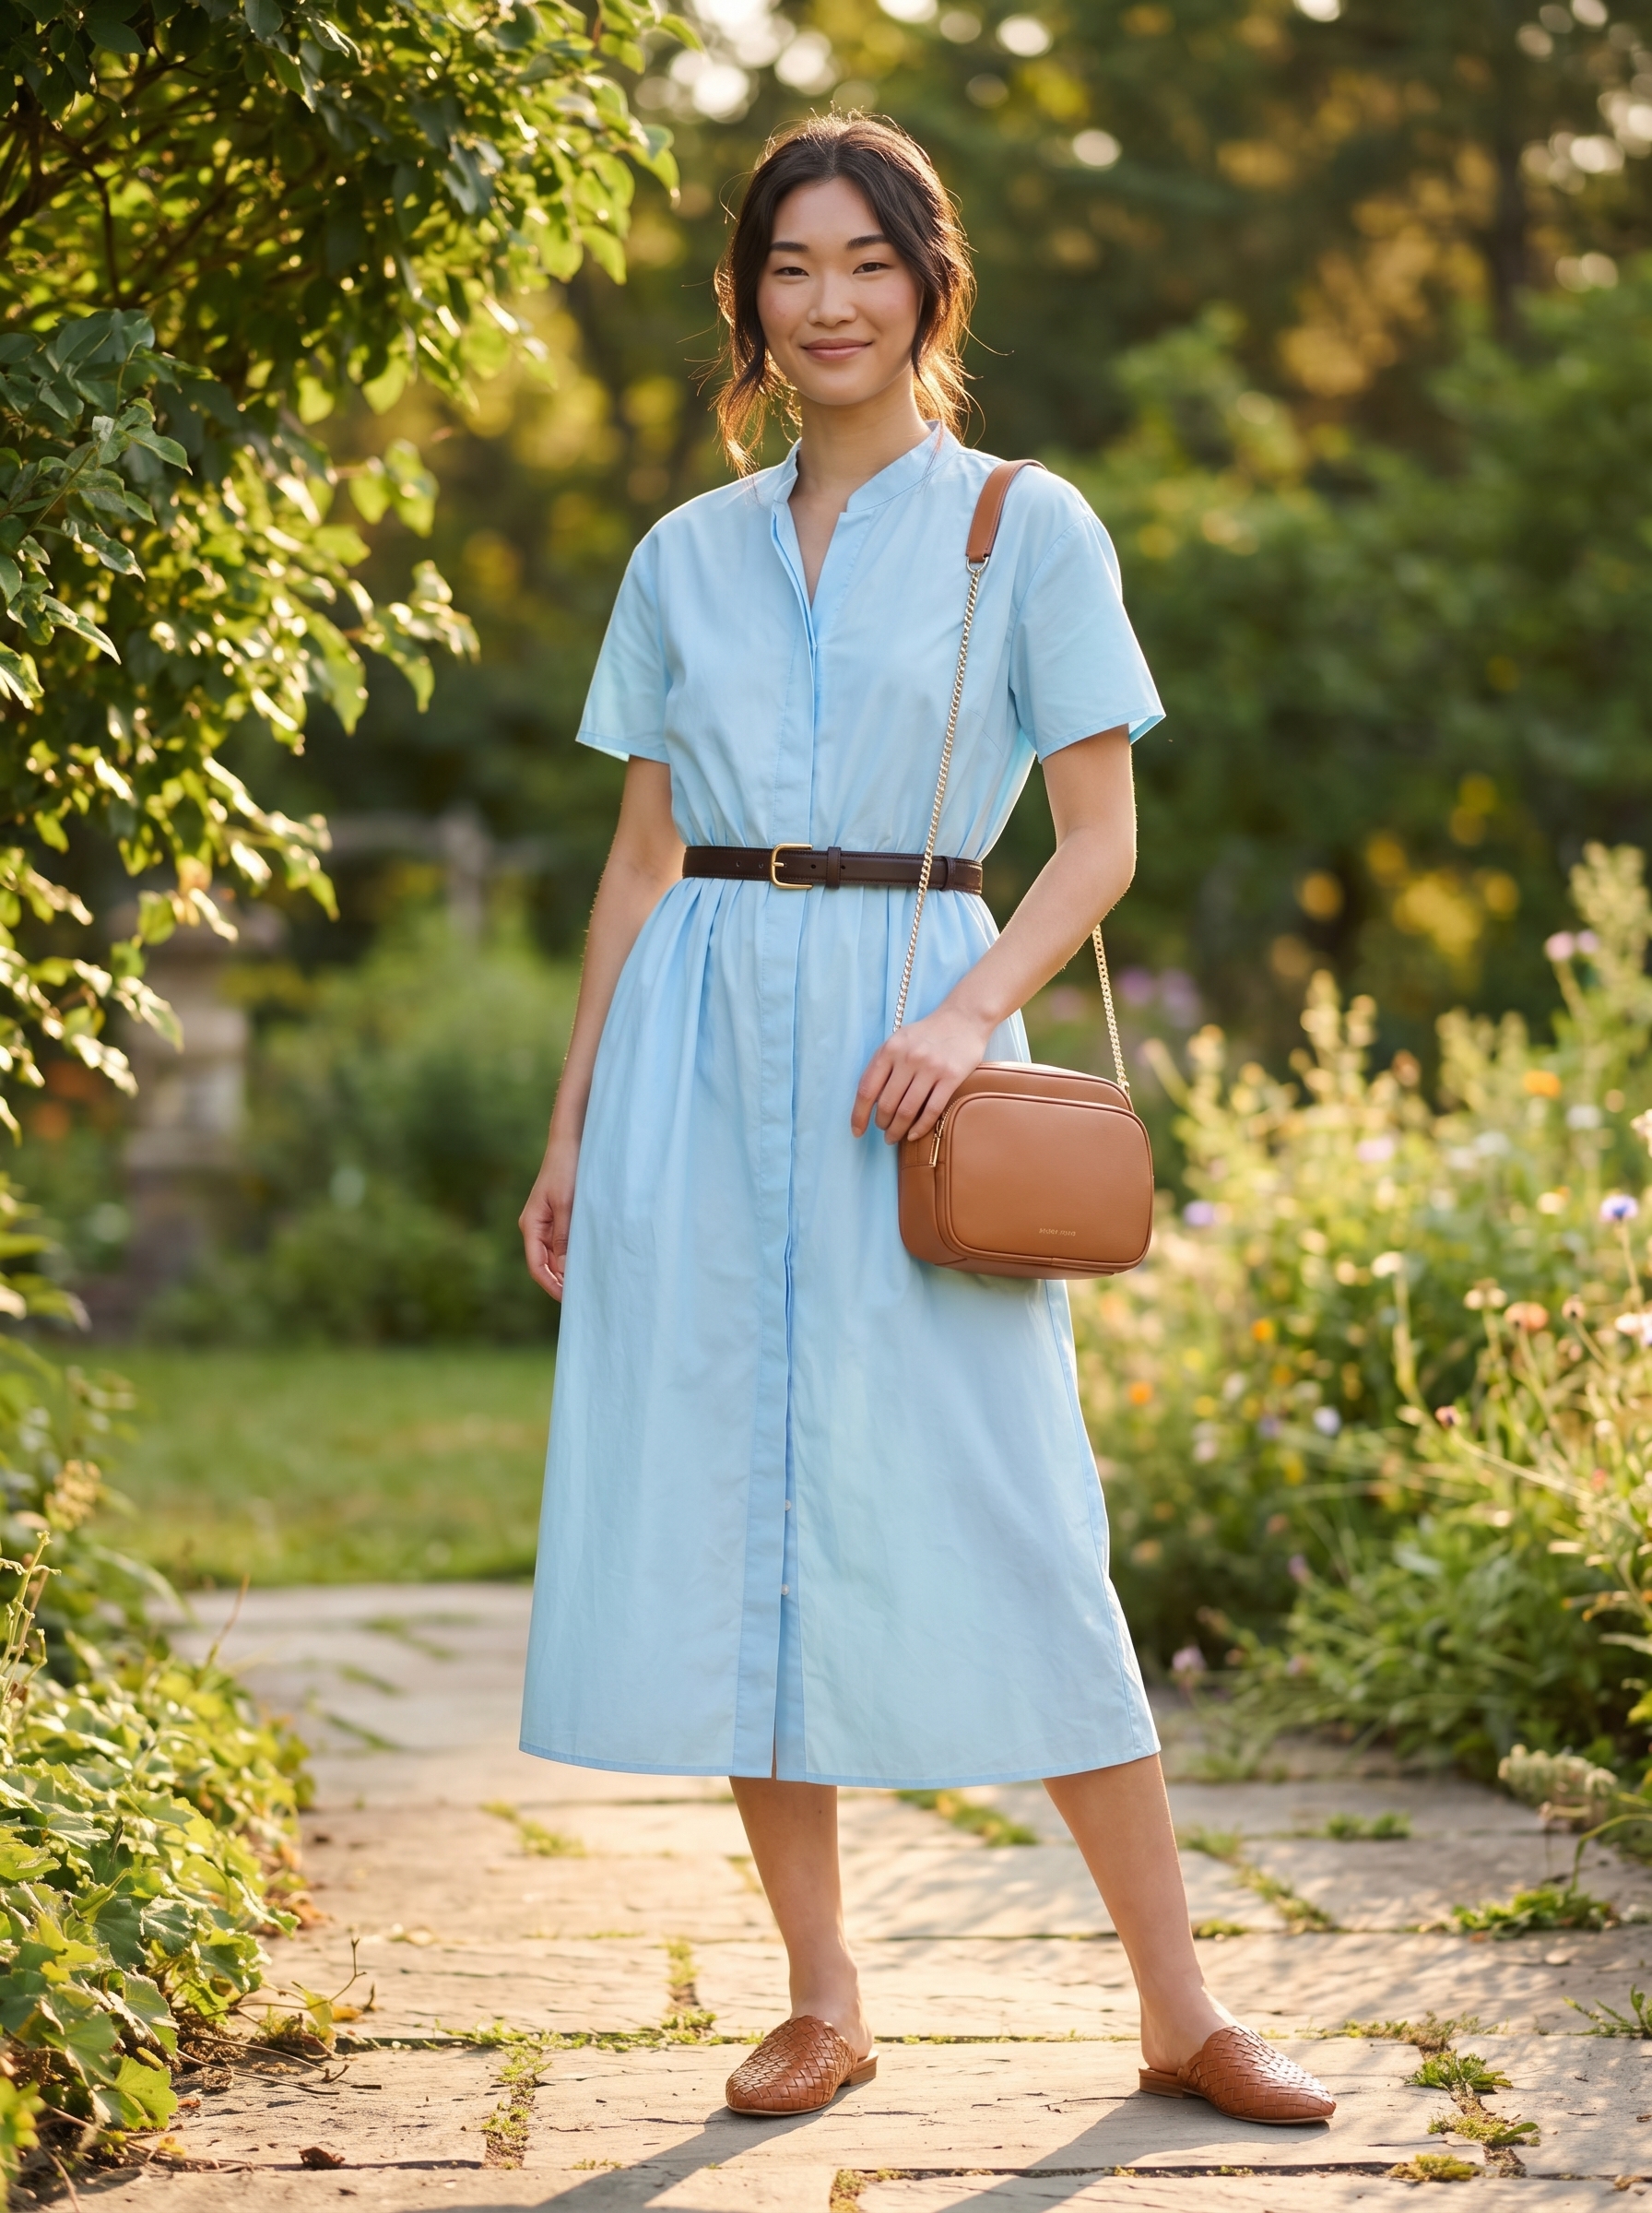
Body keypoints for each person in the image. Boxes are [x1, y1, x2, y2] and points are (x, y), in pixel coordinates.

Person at [517, 111, 1334, 2130]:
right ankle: (821, 1997)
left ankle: (1178, 2007)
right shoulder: (680, 556)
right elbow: (638, 864)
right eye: (789, 267)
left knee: (1017, 1507)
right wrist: (571, 1128)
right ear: (747, 300)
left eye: (864, 263)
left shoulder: (1022, 528)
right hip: (699, 1056)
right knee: (737, 1509)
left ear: (927, 285)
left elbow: (1098, 840)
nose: (827, 303)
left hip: (917, 1060)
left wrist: (968, 1019)